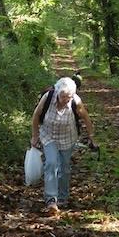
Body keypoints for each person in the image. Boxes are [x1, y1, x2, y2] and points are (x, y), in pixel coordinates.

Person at [30, 76, 97, 212]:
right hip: (48, 135)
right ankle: (51, 200)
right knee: (51, 163)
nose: (66, 99)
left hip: (68, 137)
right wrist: (35, 136)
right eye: (64, 96)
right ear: (58, 92)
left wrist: (92, 137)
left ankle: (63, 197)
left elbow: (86, 119)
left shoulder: (76, 102)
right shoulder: (48, 97)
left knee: (64, 168)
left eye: (69, 96)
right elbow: (36, 115)